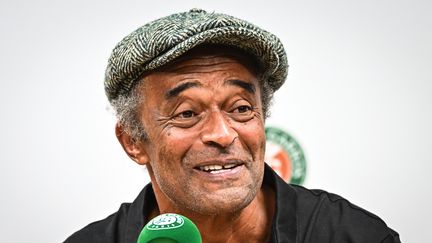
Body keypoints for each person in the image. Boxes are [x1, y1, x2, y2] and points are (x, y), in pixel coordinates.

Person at [65, 9, 400, 243]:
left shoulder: (353, 235)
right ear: (133, 142)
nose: (223, 135)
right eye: (186, 113)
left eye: (241, 108)